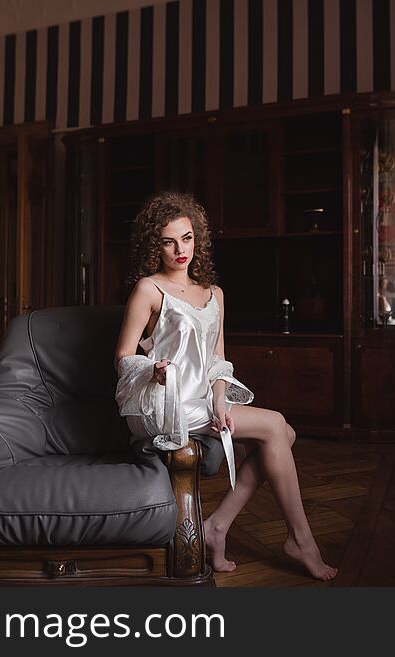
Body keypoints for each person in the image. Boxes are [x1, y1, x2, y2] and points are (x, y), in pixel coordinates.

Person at [113, 191, 337, 581]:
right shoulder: (148, 290)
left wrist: (220, 400)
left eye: (186, 238)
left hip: (201, 398)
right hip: (165, 400)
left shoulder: (214, 293)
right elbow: (122, 357)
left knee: (284, 433)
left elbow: (217, 362)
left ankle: (216, 527)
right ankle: (300, 540)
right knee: (276, 425)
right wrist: (154, 371)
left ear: (197, 238)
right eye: (168, 241)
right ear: (155, 245)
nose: (180, 249)